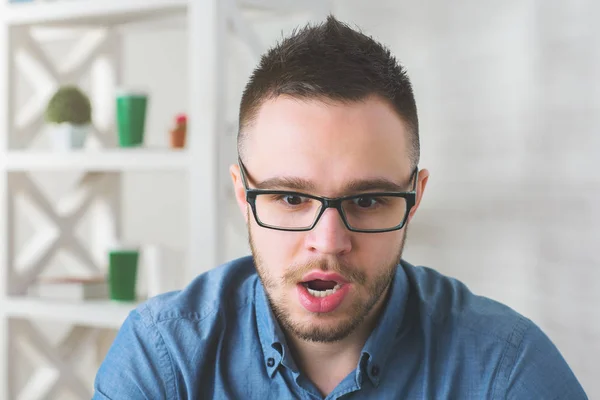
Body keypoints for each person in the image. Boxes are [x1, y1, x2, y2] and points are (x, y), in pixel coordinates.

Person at [93, 16, 588, 399]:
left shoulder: (506, 369)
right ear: (243, 196)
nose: (328, 241)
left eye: (368, 200)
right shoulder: (163, 358)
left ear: (413, 199)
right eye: (290, 198)